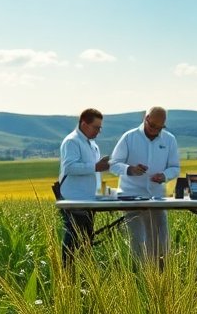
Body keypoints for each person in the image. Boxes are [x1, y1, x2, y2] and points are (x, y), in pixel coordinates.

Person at [109, 107, 180, 263]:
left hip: (157, 198)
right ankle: (137, 278)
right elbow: (113, 164)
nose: (155, 131)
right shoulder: (129, 137)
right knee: (137, 242)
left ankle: (161, 278)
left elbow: (175, 167)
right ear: (146, 118)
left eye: (159, 128)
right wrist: (130, 169)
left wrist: (165, 175)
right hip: (131, 198)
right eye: (152, 126)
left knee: (161, 242)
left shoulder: (169, 140)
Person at [57, 108, 110, 266]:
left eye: (100, 128)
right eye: (96, 127)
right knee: (74, 241)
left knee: (86, 240)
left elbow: (92, 170)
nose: (98, 131)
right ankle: (67, 275)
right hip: (73, 200)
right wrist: (96, 166)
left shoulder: (92, 144)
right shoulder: (72, 141)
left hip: (88, 199)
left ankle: (83, 274)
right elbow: (70, 168)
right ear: (84, 124)